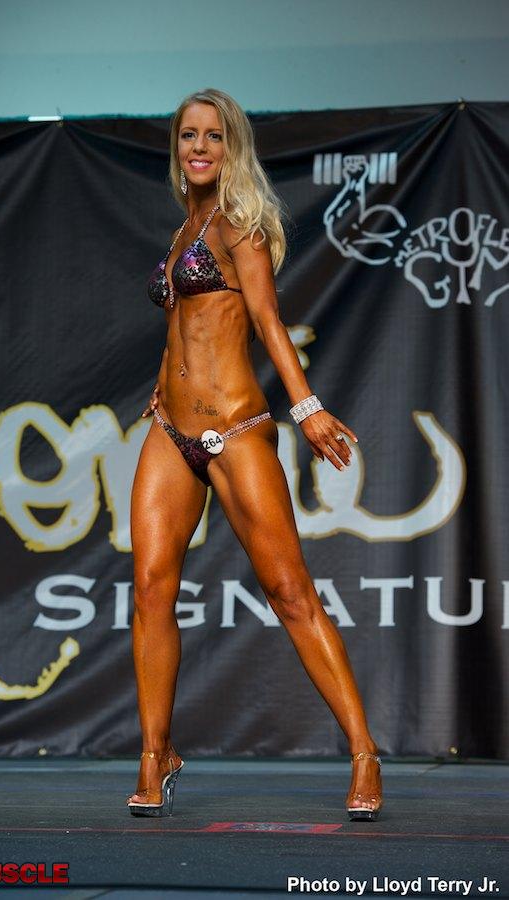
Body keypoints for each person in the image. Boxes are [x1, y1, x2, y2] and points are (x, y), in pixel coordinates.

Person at [127, 88, 383, 820]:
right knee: (149, 590)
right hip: (170, 429)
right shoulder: (185, 229)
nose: (198, 148)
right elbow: (184, 325)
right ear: (176, 147)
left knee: (290, 593)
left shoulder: (238, 225)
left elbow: (267, 321)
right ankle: (155, 753)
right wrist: (160, 386)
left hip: (235, 428)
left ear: (231, 146)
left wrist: (306, 410)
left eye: (213, 136)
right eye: (188, 136)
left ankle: (364, 753)